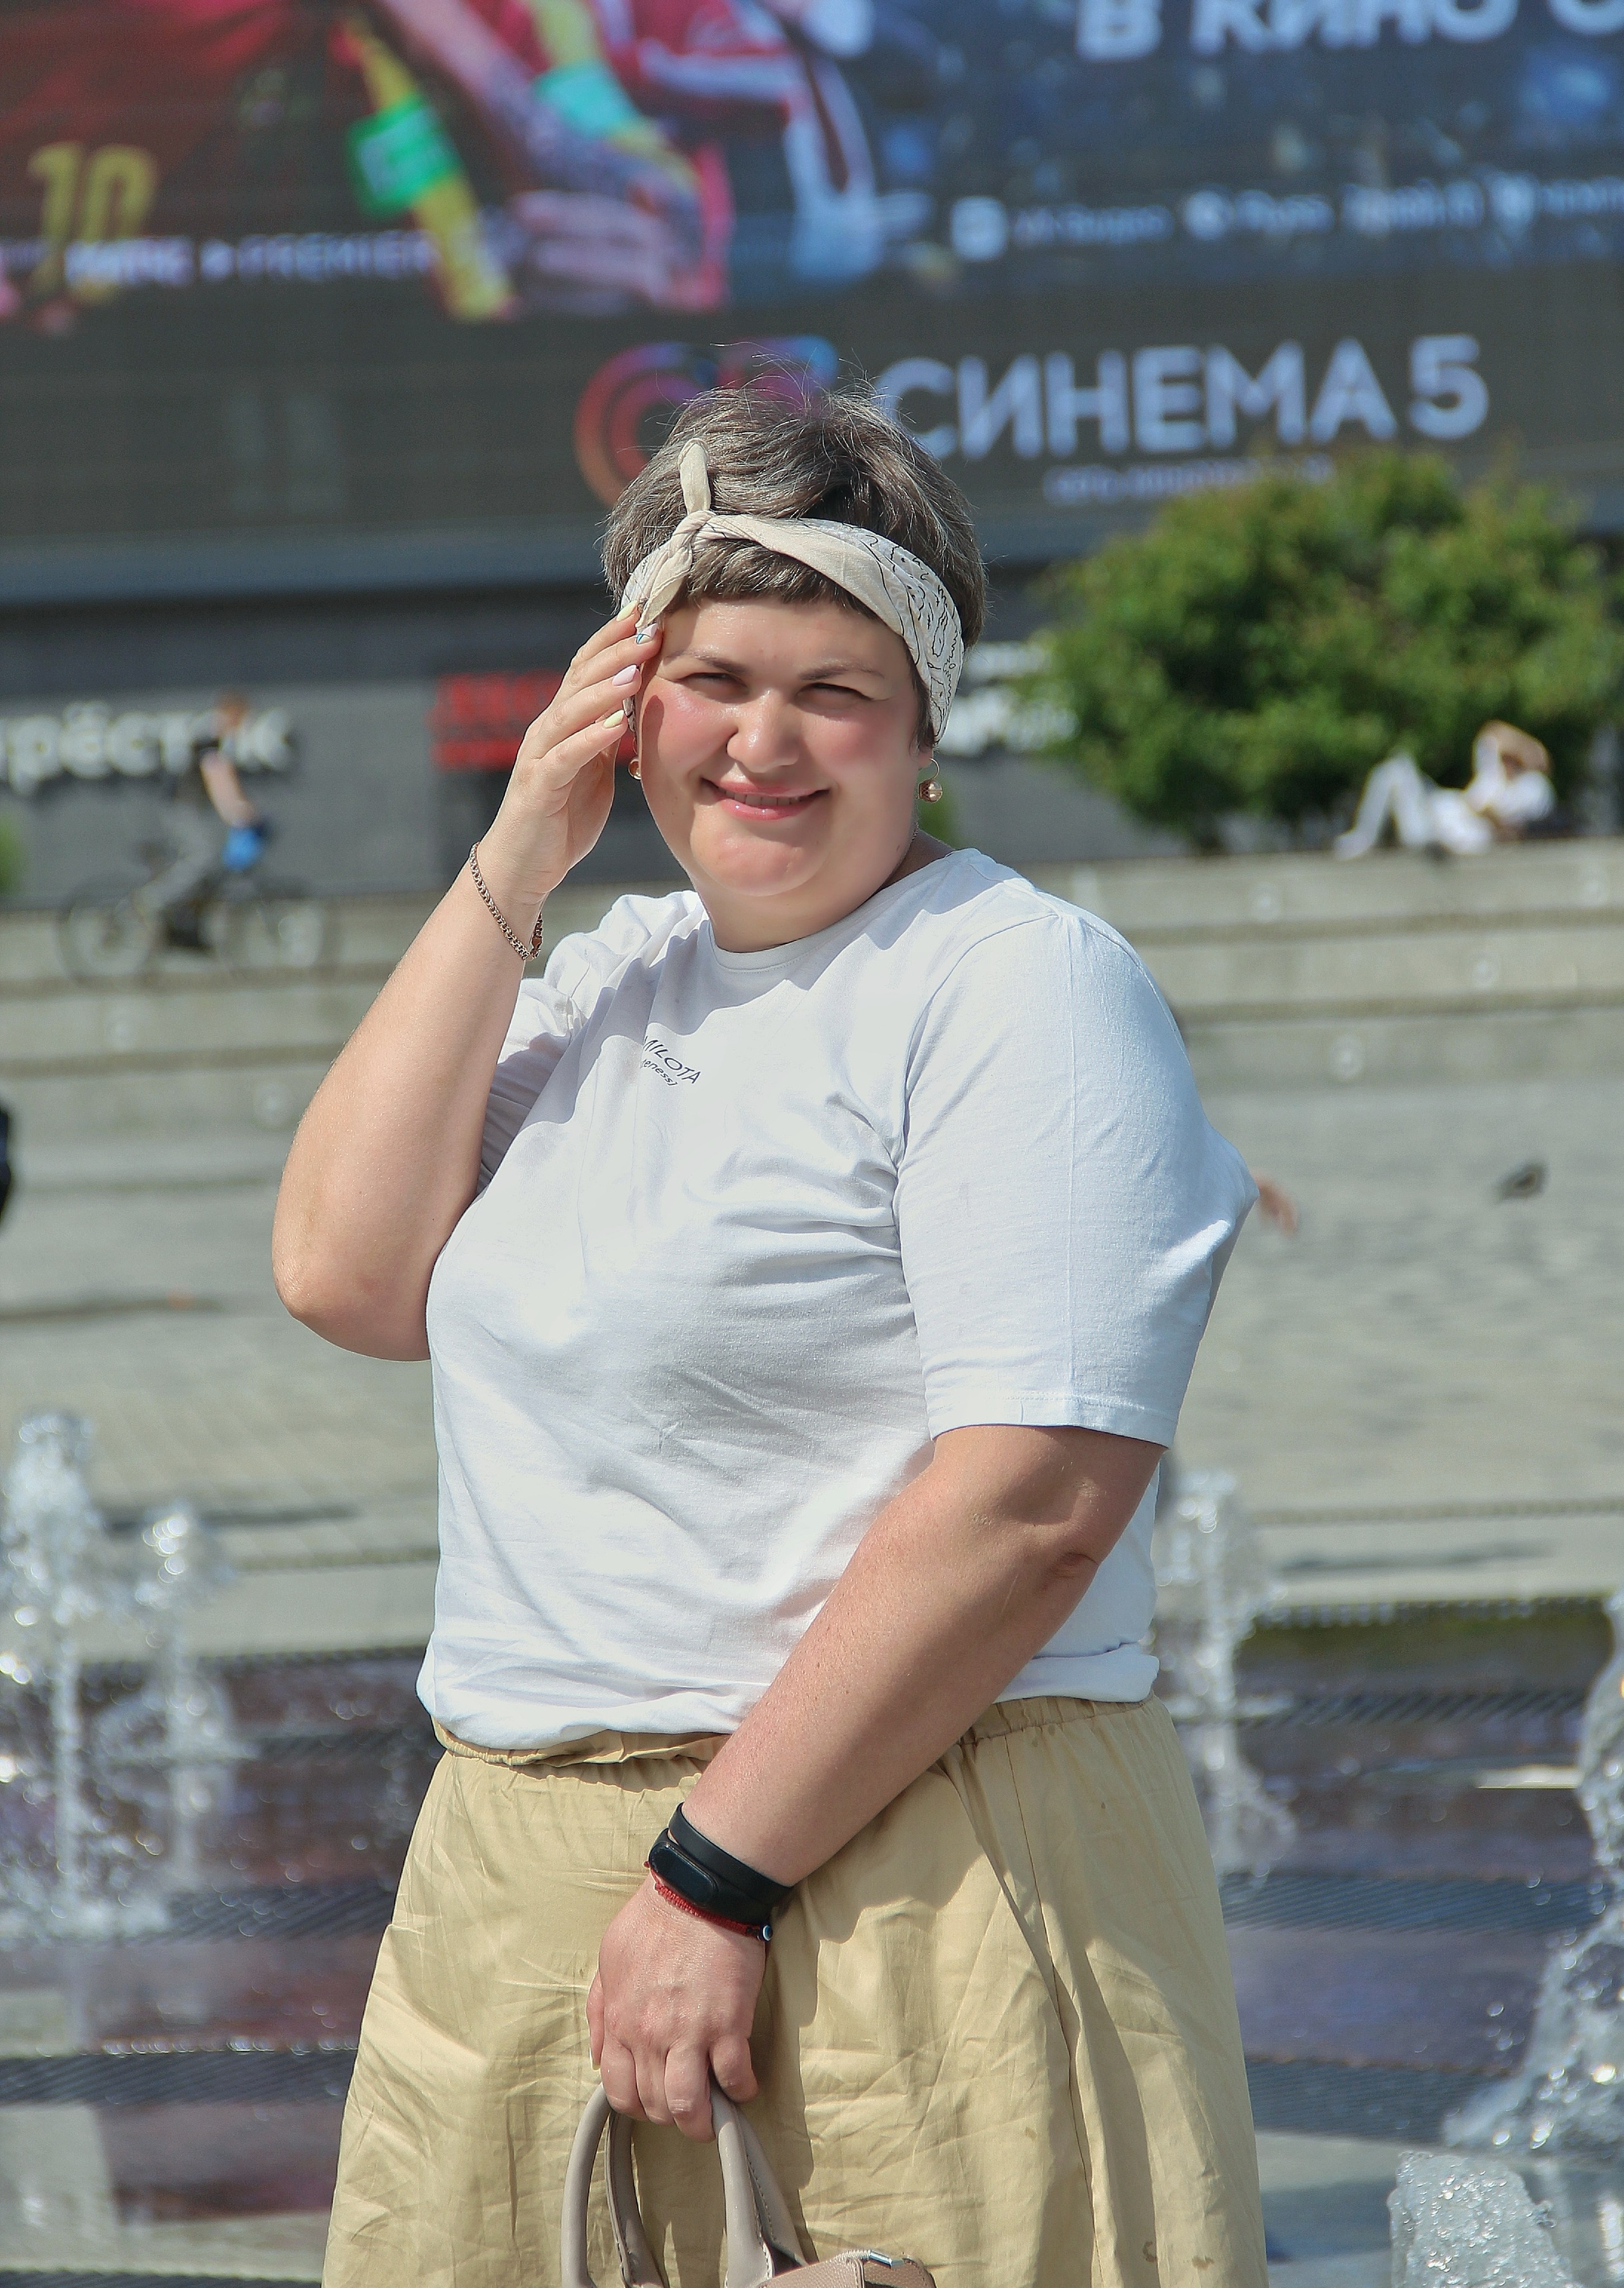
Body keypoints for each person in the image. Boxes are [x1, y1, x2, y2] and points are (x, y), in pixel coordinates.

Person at [275, 388, 1266, 2288]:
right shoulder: (603, 977)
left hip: (891, 1858)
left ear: (925, 720)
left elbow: (1033, 1497)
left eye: (836, 688)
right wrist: (518, 857)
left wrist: (710, 1872)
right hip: (519, 1863)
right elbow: (344, 1271)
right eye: (712, 673)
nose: (765, 741)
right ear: (621, 689)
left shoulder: (1010, 983)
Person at [1333, 721, 1555, 858]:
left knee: (1399, 770)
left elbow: (1505, 822)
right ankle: (1364, 839)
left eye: (1513, 760)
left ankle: (1364, 841)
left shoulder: (1532, 788)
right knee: (1394, 768)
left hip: (1441, 837)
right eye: (1507, 757)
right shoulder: (1493, 777)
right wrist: (1532, 747)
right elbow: (1491, 733)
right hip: (1434, 814)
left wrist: (1480, 810)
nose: (1507, 762)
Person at [147, 694, 265, 948]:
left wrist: (242, 808)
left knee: (214, 867)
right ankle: (154, 900)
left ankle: (187, 922)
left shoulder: (220, 740)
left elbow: (228, 784)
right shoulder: (211, 738)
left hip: (192, 807)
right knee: (202, 857)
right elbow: (218, 779)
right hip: (181, 806)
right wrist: (238, 813)